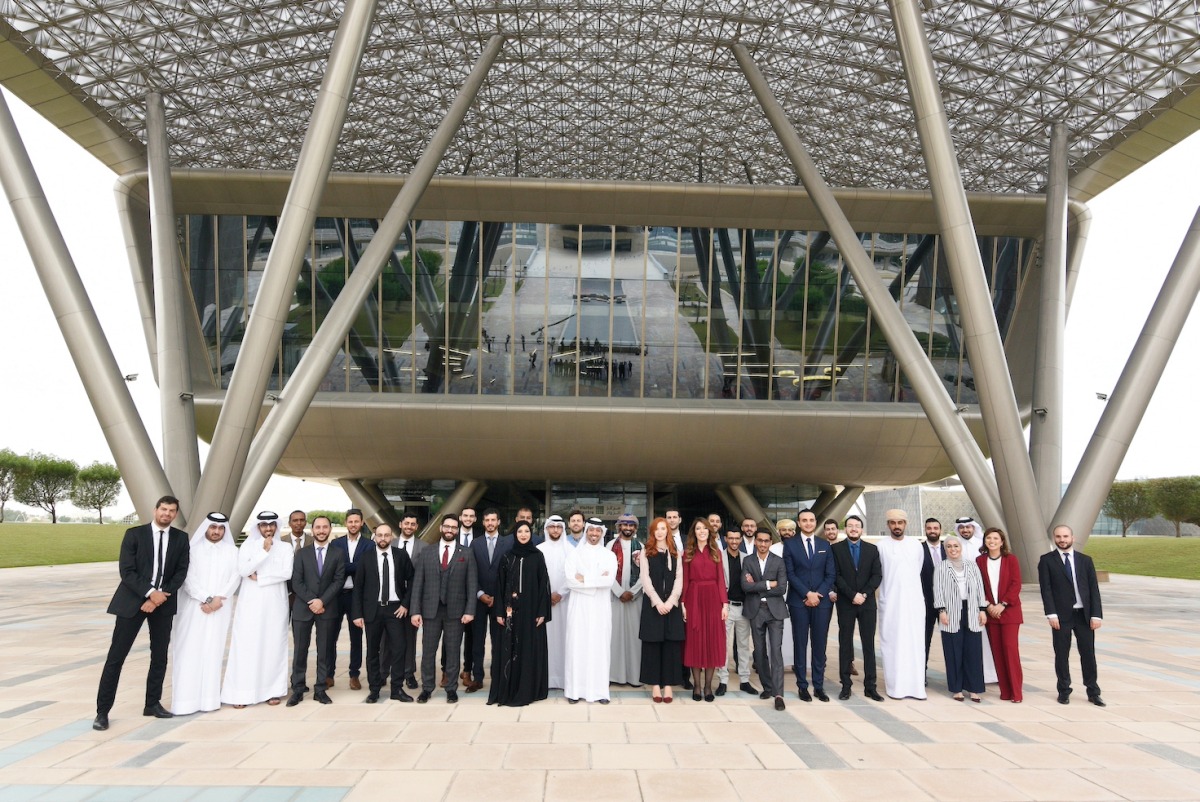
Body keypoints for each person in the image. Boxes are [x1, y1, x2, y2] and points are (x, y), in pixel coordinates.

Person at [94, 495, 190, 730]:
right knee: (116, 657)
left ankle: (152, 703)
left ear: (176, 514)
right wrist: (149, 593)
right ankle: (102, 712)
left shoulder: (180, 538)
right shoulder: (134, 535)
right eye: (163, 509)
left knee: (159, 656)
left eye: (172, 511)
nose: (167, 514)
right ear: (155, 509)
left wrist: (159, 597)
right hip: (132, 602)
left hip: (163, 604)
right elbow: (126, 571)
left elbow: (181, 572)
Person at [222, 510, 294, 708]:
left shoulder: (286, 547)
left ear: (277, 526)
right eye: (264, 525)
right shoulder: (248, 546)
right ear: (258, 527)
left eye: (272, 524)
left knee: (273, 648)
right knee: (246, 647)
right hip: (250, 605)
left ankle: (273, 691)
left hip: (276, 605)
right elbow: (244, 571)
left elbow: (287, 573)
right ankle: (241, 694)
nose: (268, 528)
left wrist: (260, 577)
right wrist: (263, 551)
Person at [170, 512, 240, 716]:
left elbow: (235, 578)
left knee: (213, 651)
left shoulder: (232, 551)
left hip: (220, 608)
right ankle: (184, 702)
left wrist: (219, 599)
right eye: (213, 528)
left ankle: (209, 700)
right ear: (206, 528)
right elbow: (187, 578)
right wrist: (206, 598)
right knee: (189, 652)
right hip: (194, 608)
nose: (216, 532)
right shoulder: (192, 549)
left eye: (220, 528)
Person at [411, 513, 478, 704]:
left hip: (456, 612)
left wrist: (469, 610)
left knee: (453, 651)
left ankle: (451, 689)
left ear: (457, 530)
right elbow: (418, 583)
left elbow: (472, 584)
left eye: (453, 528)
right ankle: (427, 688)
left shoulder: (466, 553)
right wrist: (415, 610)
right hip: (430, 611)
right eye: (447, 527)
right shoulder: (427, 552)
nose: (450, 530)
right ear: (441, 528)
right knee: (428, 652)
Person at [1038, 524, 1104, 706]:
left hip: (1084, 615)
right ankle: (1064, 691)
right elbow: (1046, 590)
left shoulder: (1085, 560)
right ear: (1054, 538)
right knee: (1061, 654)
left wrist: (1096, 615)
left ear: (1072, 538)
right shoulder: (1046, 560)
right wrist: (1051, 614)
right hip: (1060, 616)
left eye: (1066, 536)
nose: (1062, 540)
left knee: (1088, 654)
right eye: (1058, 536)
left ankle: (1093, 691)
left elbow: (1093, 589)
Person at [487, 522, 552, 706]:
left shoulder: (538, 556)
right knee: (511, 649)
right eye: (520, 531)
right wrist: (499, 611)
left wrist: (542, 612)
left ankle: (529, 690)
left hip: (531, 613)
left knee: (529, 649)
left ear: (531, 534)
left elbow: (544, 586)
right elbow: (499, 586)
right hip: (510, 614)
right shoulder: (507, 557)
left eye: (527, 531)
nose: (523, 535)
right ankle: (510, 688)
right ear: (515, 534)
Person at [287, 514, 346, 705]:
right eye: (318, 527)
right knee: (300, 651)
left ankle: (320, 688)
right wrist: (312, 600)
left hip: (327, 609)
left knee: (324, 650)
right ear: (313, 530)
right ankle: (297, 688)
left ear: (330, 529)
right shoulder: (301, 553)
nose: (321, 531)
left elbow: (338, 580)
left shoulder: (338, 553)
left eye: (325, 527)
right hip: (303, 608)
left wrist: (322, 601)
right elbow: (296, 581)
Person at [352, 523, 414, 703]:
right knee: (373, 651)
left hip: (396, 609)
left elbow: (412, 579)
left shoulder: (401, 555)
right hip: (373, 610)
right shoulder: (366, 557)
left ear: (392, 537)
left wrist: (405, 604)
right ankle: (374, 689)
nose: (383, 539)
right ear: (375, 536)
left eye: (386, 535)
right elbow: (358, 587)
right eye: (379, 535)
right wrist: (357, 614)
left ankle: (397, 688)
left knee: (399, 648)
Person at [563, 517, 618, 704]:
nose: (594, 534)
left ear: (602, 533)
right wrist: (595, 580)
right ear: (586, 531)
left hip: (601, 609)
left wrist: (583, 579)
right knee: (577, 647)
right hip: (578, 609)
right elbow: (570, 581)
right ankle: (574, 691)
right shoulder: (574, 554)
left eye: (597, 531)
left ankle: (600, 692)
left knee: (599, 648)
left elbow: (608, 582)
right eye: (591, 530)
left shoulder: (609, 556)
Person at [782, 509, 835, 702]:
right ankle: (802, 686)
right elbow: (790, 573)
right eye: (804, 520)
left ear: (815, 522)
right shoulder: (790, 545)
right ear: (798, 522)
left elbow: (830, 574)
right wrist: (807, 593)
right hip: (799, 602)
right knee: (800, 643)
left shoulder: (824, 545)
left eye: (811, 520)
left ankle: (819, 686)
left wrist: (817, 594)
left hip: (821, 603)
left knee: (819, 644)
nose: (808, 523)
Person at [830, 515, 883, 702]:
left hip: (867, 604)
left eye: (857, 526)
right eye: (850, 526)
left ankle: (871, 687)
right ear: (845, 529)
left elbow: (877, 575)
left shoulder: (872, 549)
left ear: (862, 529)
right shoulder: (835, 549)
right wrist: (852, 594)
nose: (853, 529)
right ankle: (846, 686)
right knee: (845, 644)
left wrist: (865, 594)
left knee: (868, 645)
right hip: (846, 602)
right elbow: (835, 575)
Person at [876, 509, 927, 700]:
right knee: (892, 644)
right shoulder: (881, 546)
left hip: (913, 603)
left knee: (914, 644)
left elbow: (918, 569)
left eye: (900, 523)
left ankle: (916, 688)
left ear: (906, 524)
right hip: (891, 604)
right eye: (892, 523)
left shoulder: (916, 546)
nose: (896, 526)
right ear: (888, 525)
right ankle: (895, 687)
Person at [933, 536, 988, 702]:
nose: (953, 549)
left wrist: (982, 609)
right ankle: (956, 688)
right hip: (951, 612)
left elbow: (980, 588)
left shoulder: (972, 566)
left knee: (973, 651)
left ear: (960, 547)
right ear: (946, 549)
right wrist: (941, 610)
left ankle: (974, 688)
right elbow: (938, 590)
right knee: (953, 651)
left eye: (956, 546)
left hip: (971, 611)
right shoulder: (941, 567)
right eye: (949, 546)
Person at [638, 517, 684, 703]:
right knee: (653, 645)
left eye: (663, 528)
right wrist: (657, 602)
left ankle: (669, 686)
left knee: (671, 646)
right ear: (652, 531)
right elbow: (645, 579)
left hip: (671, 606)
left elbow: (679, 579)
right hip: (653, 605)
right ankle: (655, 685)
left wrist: (672, 601)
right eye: (656, 529)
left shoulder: (675, 553)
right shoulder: (646, 551)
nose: (660, 532)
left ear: (668, 531)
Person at [682, 518, 728, 702]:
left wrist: (724, 604)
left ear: (710, 532)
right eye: (698, 528)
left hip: (713, 599)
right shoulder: (687, 553)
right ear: (694, 532)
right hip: (693, 598)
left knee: (711, 642)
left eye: (705, 529)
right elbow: (685, 580)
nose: (702, 531)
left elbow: (721, 580)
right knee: (695, 641)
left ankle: (708, 686)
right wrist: (683, 604)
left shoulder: (716, 552)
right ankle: (697, 686)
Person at [467, 508, 513, 692]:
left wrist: (499, 597)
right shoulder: (474, 544)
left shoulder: (507, 543)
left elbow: (509, 573)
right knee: (477, 641)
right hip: (479, 600)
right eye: (487, 520)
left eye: (493, 520)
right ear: (483, 522)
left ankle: (497, 677)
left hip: (499, 600)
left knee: (498, 640)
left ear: (499, 522)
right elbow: (471, 572)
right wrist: (480, 593)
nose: (490, 523)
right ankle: (477, 678)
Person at [743, 529, 788, 711]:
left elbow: (782, 588)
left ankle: (778, 694)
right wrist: (770, 583)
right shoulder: (748, 560)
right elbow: (745, 586)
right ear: (755, 542)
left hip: (775, 611)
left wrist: (757, 586)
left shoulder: (779, 561)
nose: (763, 544)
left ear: (770, 542)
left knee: (776, 651)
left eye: (766, 541)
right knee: (759, 652)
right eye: (760, 541)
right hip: (756, 611)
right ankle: (767, 687)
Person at [977, 527, 1024, 703]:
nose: (992, 541)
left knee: (1010, 651)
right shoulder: (980, 561)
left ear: (1002, 541)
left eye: (996, 538)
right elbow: (978, 585)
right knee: (997, 652)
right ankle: (1005, 691)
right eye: (989, 538)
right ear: (985, 541)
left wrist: (1002, 604)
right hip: (991, 613)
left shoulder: (1011, 559)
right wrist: (988, 605)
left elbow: (1016, 583)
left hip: (1009, 612)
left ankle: (1016, 692)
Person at [328, 508, 372, 690]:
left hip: (357, 596)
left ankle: (354, 675)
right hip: (336, 596)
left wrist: (345, 567)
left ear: (362, 523)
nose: (353, 524)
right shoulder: (335, 543)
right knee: (331, 636)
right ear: (346, 523)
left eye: (357, 521)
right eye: (350, 521)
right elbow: (333, 568)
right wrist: (354, 566)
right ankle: (328, 675)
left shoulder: (369, 545)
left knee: (356, 637)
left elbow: (366, 569)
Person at [954, 516, 998, 684]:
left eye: (968, 527)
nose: (965, 530)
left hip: (982, 598)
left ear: (974, 528)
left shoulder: (983, 545)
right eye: (962, 528)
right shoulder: (954, 545)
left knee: (986, 638)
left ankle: (990, 673)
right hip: (960, 598)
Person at [717, 530, 756, 696]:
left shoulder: (747, 558)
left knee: (743, 645)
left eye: (736, 538)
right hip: (725, 607)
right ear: (726, 539)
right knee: (723, 645)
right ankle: (723, 681)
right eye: (730, 538)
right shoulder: (719, 557)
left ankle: (745, 680)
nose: (734, 541)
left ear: (741, 540)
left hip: (743, 607)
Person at [609, 513, 644, 686]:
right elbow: (606, 572)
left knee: (634, 638)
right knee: (614, 636)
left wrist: (632, 592)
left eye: (631, 525)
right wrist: (619, 591)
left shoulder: (642, 547)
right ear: (619, 527)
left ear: (635, 528)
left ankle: (634, 676)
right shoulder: (609, 546)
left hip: (634, 599)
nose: (628, 528)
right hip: (615, 597)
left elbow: (645, 574)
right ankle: (614, 675)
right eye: (624, 525)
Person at [538, 515, 571, 689]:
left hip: (565, 603)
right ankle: (547, 678)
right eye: (552, 527)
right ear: (547, 529)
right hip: (545, 603)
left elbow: (574, 575)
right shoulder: (539, 549)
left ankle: (565, 679)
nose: (556, 530)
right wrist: (547, 595)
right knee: (546, 640)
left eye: (559, 527)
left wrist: (561, 593)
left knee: (565, 640)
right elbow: (536, 577)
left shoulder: (571, 550)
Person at [394, 513, 426, 689]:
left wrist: (412, 603)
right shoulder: (389, 544)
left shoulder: (425, 547)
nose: (409, 526)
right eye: (406, 523)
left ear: (416, 527)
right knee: (386, 640)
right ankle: (386, 672)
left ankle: (409, 673)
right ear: (400, 524)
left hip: (413, 600)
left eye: (413, 524)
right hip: (390, 599)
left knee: (409, 639)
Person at [919, 517, 945, 672]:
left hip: (947, 605)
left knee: (950, 640)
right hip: (925, 603)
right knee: (924, 640)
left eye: (935, 528)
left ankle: (954, 676)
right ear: (925, 530)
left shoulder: (949, 549)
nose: (932, 531)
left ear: (940, 530)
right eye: (929, 528)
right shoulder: (918, 549)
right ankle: (921, 673)